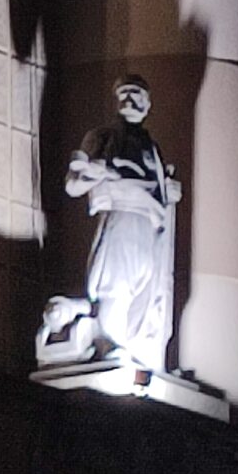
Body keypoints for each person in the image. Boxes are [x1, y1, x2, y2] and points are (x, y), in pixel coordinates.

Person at [62, 74, 180, 372]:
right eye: (125, 93)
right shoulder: (102, 137)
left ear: (148, 104)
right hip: (122, 215)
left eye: (137, 94)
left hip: (149, 225)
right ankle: (110, 341)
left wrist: (169, 192)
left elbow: (159, 189)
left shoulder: (152, 147)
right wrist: (97, 172)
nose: (130, 99)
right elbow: (73, 185)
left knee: (145, 288)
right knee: (116, 283)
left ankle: (137, 348)